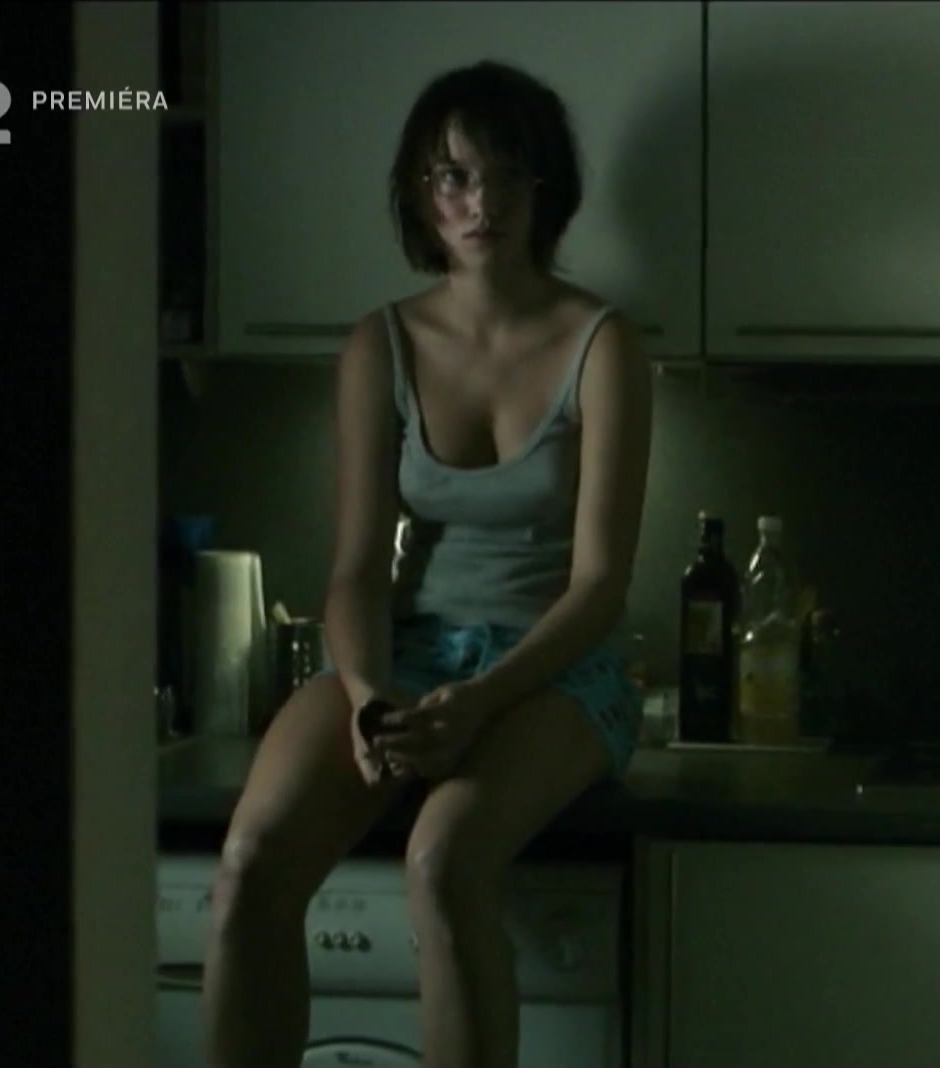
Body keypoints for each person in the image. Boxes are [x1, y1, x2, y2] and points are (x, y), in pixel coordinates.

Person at [199, 61, 653, 1068]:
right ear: (420, 190)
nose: (480, 203)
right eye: (454, 176)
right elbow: (358, 566)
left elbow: (599, 585)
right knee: (250, 863)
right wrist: (368, 695)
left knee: (443, 861)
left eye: (507, 174)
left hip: (551, 669)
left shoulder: (602, 343)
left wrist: (482, 699)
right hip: (406, 652)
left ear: (545, 187)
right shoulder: (383, 343)